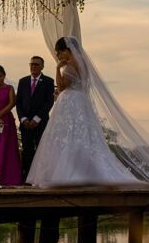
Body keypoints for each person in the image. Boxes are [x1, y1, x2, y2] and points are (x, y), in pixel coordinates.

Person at [27, 37, 139, 187]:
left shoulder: (70, 65)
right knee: (83, 136)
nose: (59, 56)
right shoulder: (83, 64)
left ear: (67, 50)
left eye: (60, 53)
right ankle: (84, 170)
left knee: (67, 135)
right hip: (81, 101)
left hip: (71, 102)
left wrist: (57, 68)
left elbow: (61, 86)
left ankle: (70, 173)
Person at [16, 54, 55, 178]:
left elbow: (49, 102)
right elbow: (19, 102)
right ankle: (27, 177)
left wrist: (36, 119)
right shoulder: (23, 81)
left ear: (42, 66)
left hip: (40, 123)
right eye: (31, 64)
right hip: (25, 123)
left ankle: (40, 176)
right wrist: (23, 119)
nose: (33, 66)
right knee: (27, 150)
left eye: (36, 64)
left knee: (41, 150)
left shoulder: (49, 81)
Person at [0, 64, 23, 185]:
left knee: (8, 148)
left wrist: (0, 114)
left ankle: (9, 178)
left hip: (6, 121)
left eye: (0, 76)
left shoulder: (9, 88)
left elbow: (12, 103)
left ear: (4, 76)